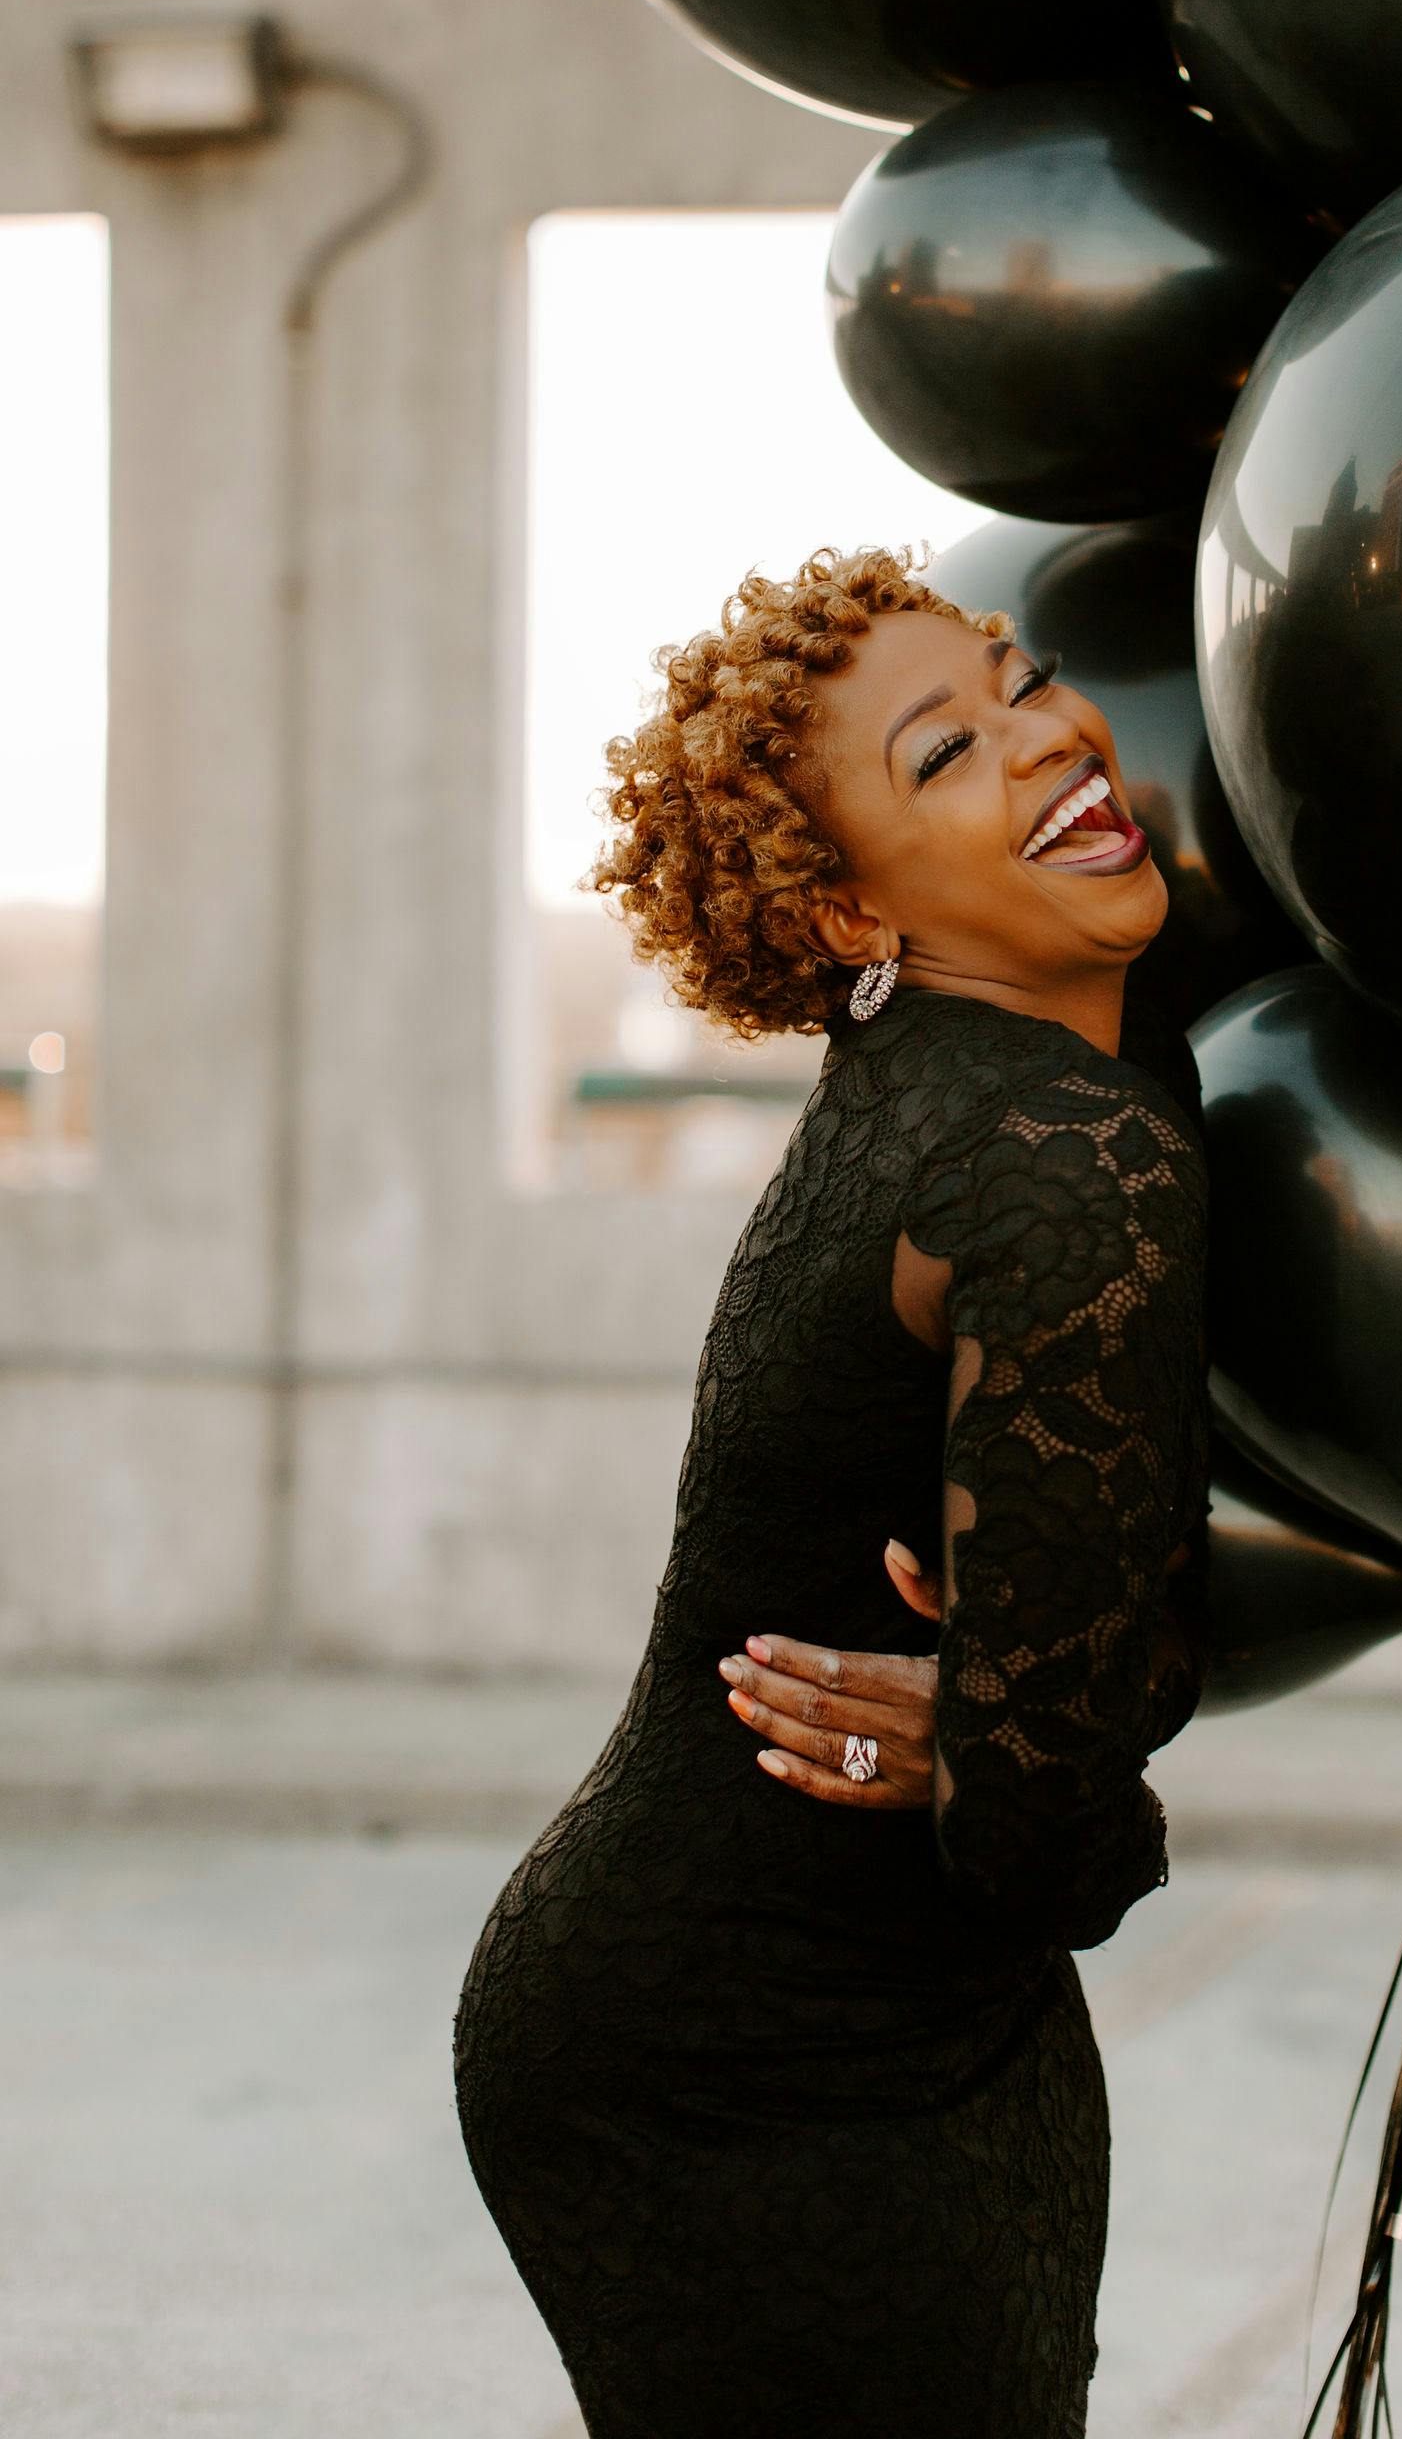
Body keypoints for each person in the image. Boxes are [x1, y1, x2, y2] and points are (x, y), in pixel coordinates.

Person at [454, 546, 1210, 2438]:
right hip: (746, 2059)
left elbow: (1037, 1748)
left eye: (1023, 676)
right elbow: (1048, 1841)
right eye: (948, 754)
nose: (1048, 742)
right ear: (847, 903)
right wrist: (1039, 1765)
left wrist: (1022, 1725)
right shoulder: (1061, 1150)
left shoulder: (944, 1075)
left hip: (905, 2013)